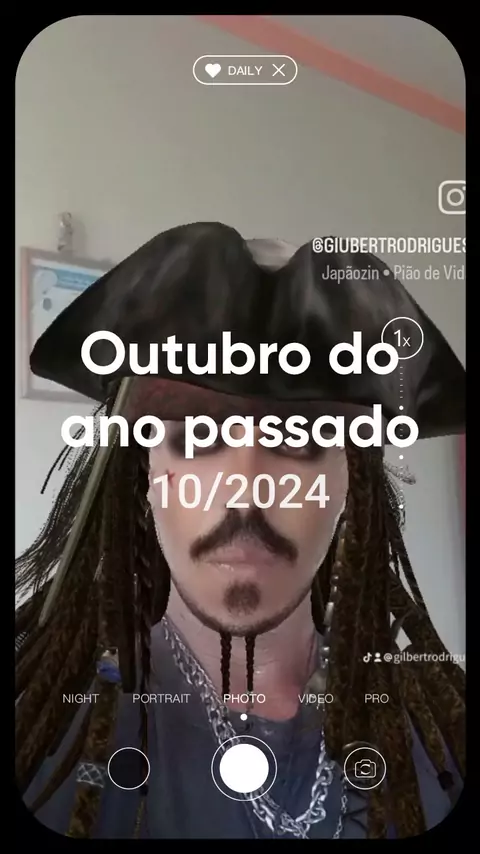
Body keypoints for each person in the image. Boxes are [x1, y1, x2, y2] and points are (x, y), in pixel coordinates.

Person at [15, 223, 465, 839]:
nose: (246, 490)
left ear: (352, 481)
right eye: (197, 434)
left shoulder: (437, 743)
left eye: (301, 436)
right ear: (143, 471)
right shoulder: (44, 738)